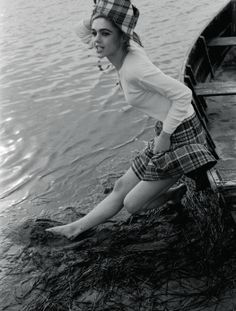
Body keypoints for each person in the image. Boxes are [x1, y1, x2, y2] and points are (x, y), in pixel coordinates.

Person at [46, 0, 217, 240]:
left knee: (132, 205)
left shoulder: (135, 68)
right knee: (119, 188)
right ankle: (76, 228)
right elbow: (81, 31)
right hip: (168, 127)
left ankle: (171, 191)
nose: (96, 40)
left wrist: (166, 137)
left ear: (122, 36)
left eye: (105, 34)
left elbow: (184, 94)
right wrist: (102, 14)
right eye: (95, 33)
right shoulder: (122, 49)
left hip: (182, 132)